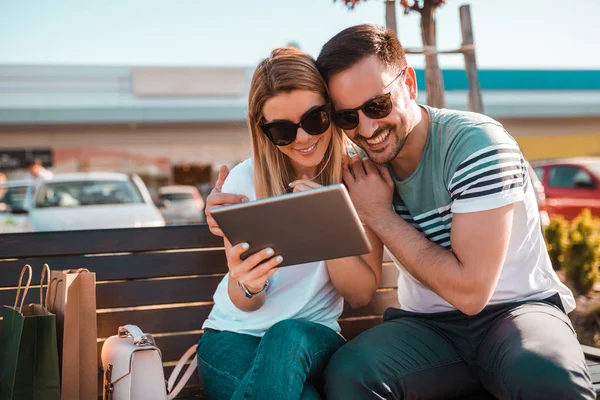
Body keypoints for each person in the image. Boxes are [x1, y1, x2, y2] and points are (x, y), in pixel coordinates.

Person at [312, 24, 594, 399]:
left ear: (409, 84)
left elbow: (471, 293)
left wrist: (379, 215)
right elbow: (360, 289)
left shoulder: (477, 145)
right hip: (428, 329)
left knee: (547, 376)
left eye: (377, 105)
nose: (366, 128)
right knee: (350, 372)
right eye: (347, 117)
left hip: (515, 313)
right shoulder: (362, 169)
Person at [197, 47, 384, 400]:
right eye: (283, 130)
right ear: (263, 130)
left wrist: (328, 218)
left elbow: (360, 295)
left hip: (310, 339)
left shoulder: (359, 179)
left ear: (331, 109)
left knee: (287, 335)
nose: (302, 139)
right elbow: (244, 301)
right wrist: (248, 284)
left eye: (315, 119)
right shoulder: (243, 182)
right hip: (231, 339)